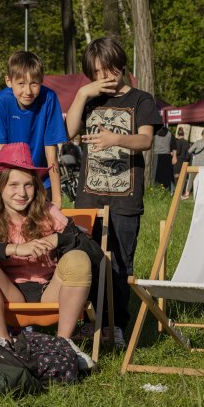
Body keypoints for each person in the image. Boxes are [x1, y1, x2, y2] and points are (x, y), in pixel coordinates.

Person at [0, 142, 101, 370]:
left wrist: (57, 239)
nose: (22, 193)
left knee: (79, 259)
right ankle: (3, 343)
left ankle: (64, 345)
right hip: (8, 292)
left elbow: (95, 252)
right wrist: (15, 249)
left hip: (49, 291)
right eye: (13, 185)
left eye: (28, 185)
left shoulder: (48, 212)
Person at [64, 37, 162, 348]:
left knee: (120, 263)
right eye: (96, 72)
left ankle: (116, 325)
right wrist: (82, 94)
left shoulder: (141, 100)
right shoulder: (89, 99)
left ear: (120, 65)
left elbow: (146, 140)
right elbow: (68, 132)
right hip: (89, 196)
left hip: (125, 196)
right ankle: (89, 322)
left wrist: (114, 140)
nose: (104, 77)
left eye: (108, 69)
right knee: (84, 259)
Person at [0, 51, 68, 207]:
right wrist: (1, 190)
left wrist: (57, 199)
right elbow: (0, 149)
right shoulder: (3, 99)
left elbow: (51, 152)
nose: (28, 91)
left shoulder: (49, 98)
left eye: (34, 84)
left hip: (42, 181)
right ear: (9, 81)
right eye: (21, 84)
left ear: (41, 81)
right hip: (12, 181)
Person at [183, 128, 204, 199]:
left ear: (201, 135)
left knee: (191, 178)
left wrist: (195, 151)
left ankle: (187, 194)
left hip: (195, 163)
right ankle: (201, 194)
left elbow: (189, 151)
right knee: (202, 179)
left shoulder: (197, 142)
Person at [152, 125, 175, 190]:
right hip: (167, 156)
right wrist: (174, 156)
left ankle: (156, 190)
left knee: (156, 176)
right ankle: (166, 191)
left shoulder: (154, 134)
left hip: (156, 156)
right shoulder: (170, 134)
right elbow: (174, 146)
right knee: (166, 176)